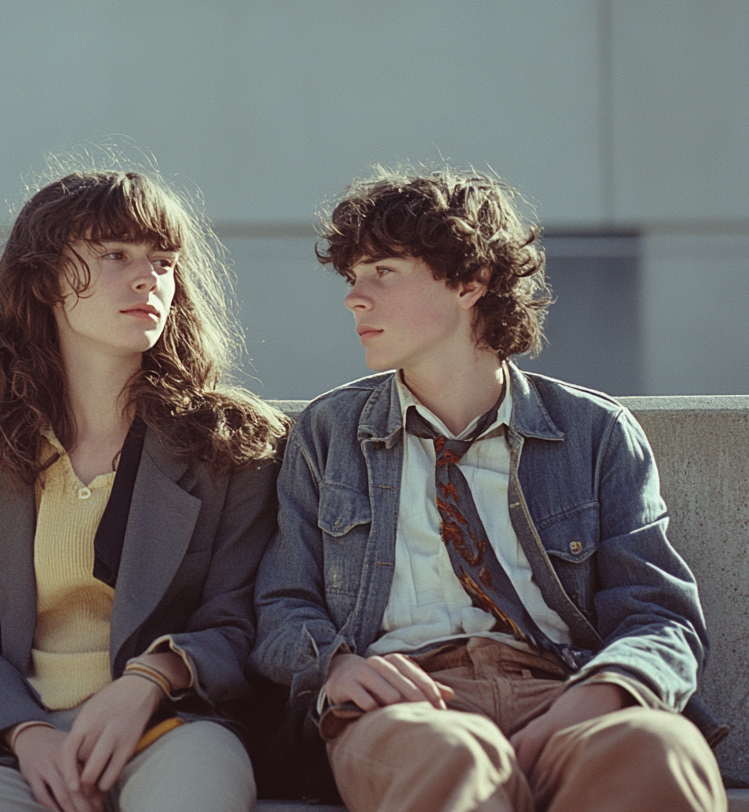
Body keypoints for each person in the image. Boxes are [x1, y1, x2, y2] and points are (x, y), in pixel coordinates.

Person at [251, 167, 727, 812]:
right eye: (352, 278)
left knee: (656, 747)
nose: (354, 299)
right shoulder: (328, 433)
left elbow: (659, 613)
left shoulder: (593, 431)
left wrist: (604, 691)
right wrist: (340, 669)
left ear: (471, 282)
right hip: (406, 705)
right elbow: (282, 603)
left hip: (565, 686)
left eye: (383, 272)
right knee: (452, 759)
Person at [0, 170, 288, 812]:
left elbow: (240, 616)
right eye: (116, 255)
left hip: (171, 731)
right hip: (22, 749)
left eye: (163, 261)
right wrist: (25, 734)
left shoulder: (230, 444)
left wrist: (147, 679)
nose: (149, 279)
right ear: (46, 279)